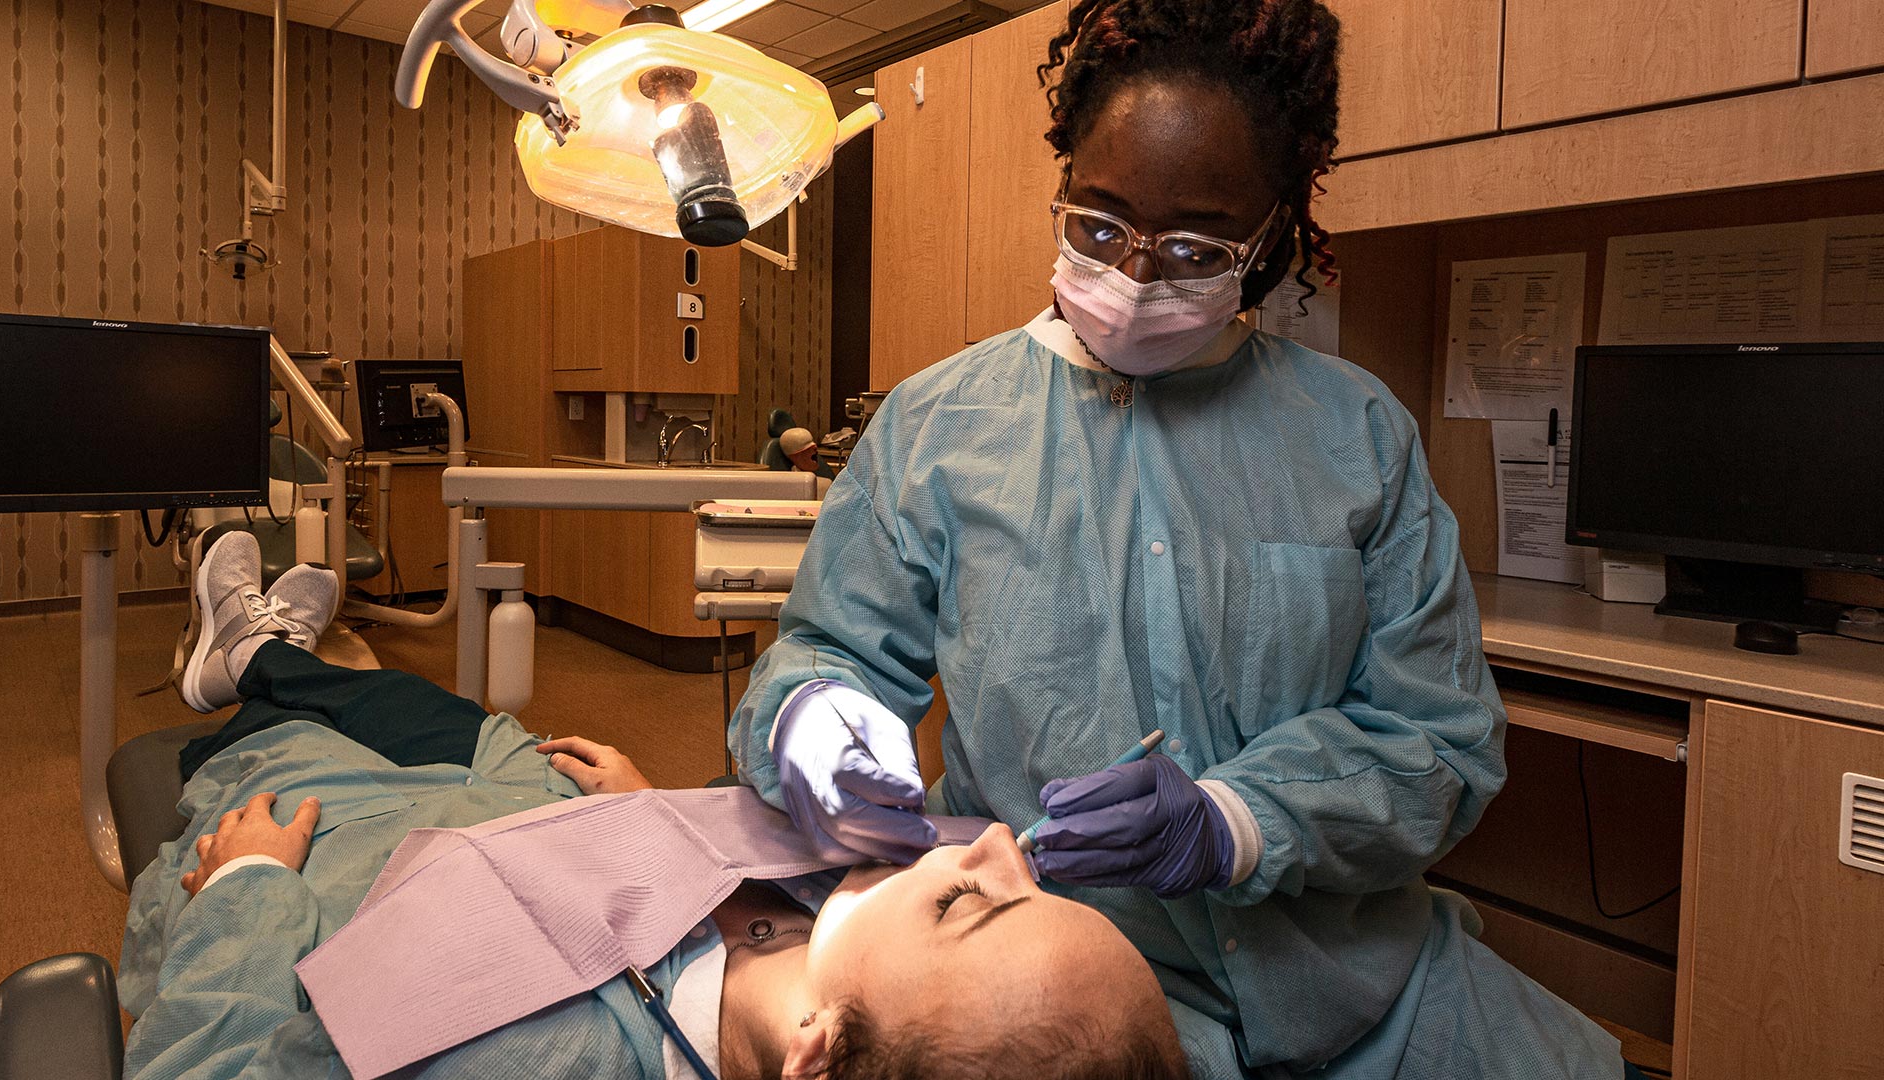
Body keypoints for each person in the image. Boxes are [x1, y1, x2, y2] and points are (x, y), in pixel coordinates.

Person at [728, 1, 1630, 1077]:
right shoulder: (940, 427)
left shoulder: (1356, 436)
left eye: (1196, 246)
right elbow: (827, 654)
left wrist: (1237, 822)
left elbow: (1441, 743)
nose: (1137, 276)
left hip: (1365, 982)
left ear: (1271, 236)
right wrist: (820, 723)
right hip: (1073, 1003)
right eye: (1099, 227)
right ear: (1062, 183)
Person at [123, 532, 1189, 1080]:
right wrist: (663, 825)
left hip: (330, 833)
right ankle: (276, 654)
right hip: (524, 780)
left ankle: (250, 660)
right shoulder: (852, 951)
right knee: (409, 695)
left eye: (972, 906)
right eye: (1036, 881)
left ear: (817, 1054)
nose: (999, 840)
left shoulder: (513, 1059)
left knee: (292, 724)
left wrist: (247, 894)